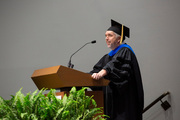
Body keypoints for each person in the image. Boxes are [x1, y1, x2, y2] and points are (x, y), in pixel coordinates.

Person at [89, 19, 144, 120]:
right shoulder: (107, 57)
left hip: (124, 105)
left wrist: (102, 73)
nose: (106, 38)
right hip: (111, 105)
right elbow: (95, 70)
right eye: (105, 36)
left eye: (110, 35)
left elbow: (114, 65)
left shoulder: (126, 51)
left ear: (119, 38)